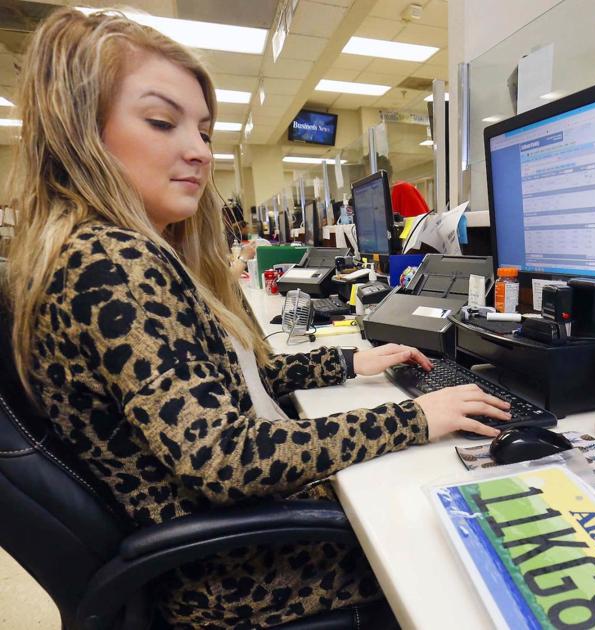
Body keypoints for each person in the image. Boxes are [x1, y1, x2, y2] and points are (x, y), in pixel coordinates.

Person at [3, 9, 510, 628]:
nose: (199, 151)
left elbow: (216, 391)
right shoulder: (114, 263)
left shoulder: (98, 252)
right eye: (162, 122)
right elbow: (225, 457)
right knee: (465, 529)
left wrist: (348, 361)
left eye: (204, 131)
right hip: (239, 571)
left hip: (224, 539)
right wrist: (414, 417)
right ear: (79, 130)